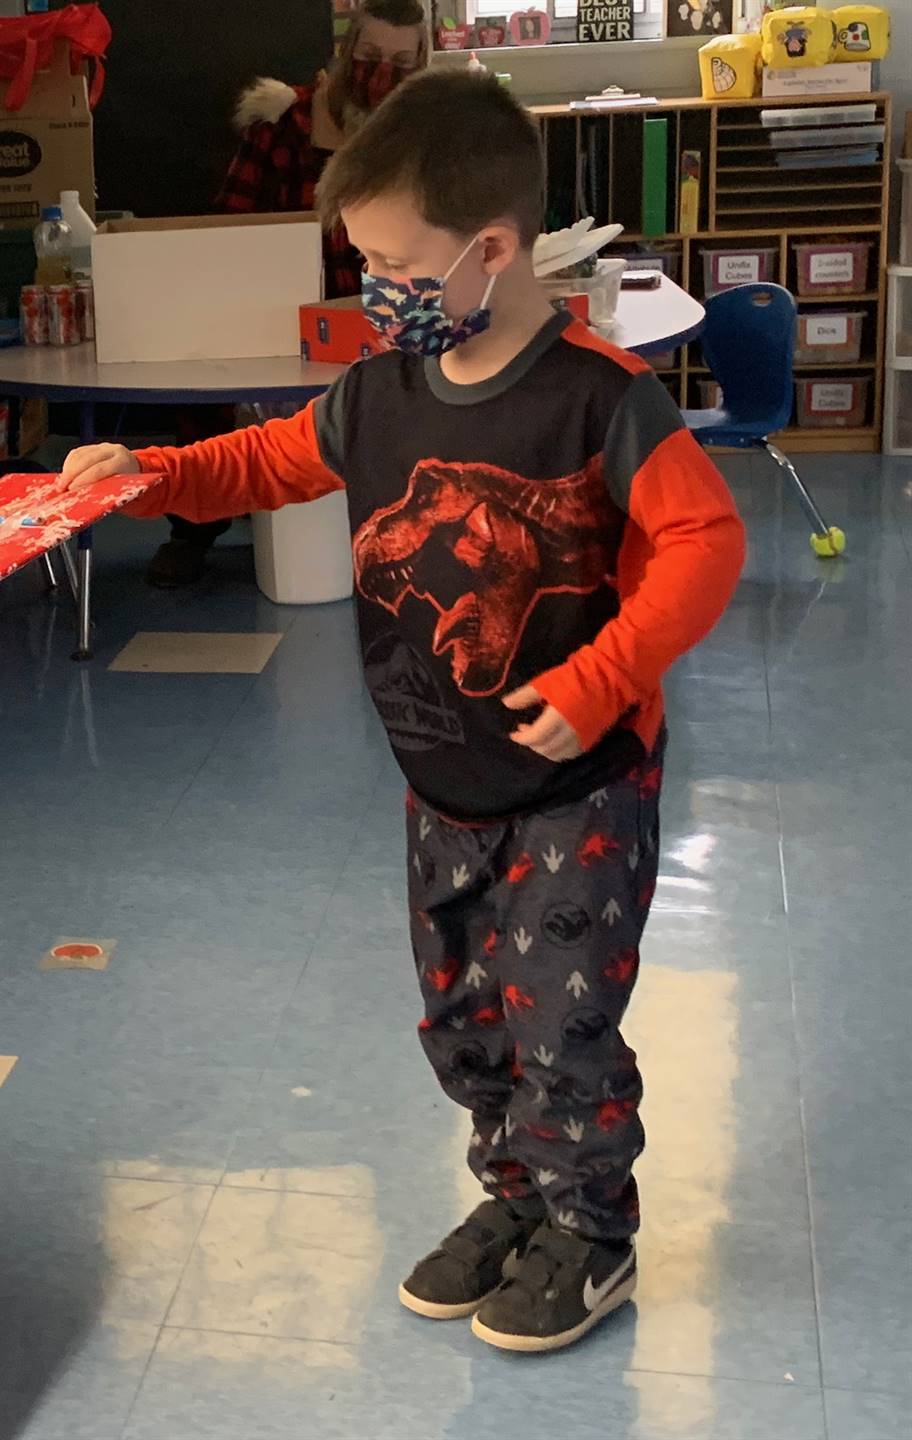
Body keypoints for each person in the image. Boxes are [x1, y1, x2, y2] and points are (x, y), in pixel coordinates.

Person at [60, 72, 745, 1353]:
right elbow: (266, 460)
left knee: (562, 1022)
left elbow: (705, 539)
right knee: (465, 1018)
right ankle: (516, 1202)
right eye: (359, 258)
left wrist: (602, 673)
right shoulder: (380, 390)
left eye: (391, 262)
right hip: (443, 787)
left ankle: (589, 1235)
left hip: (576, 792)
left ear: (491, 251)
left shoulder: (597, 399)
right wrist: (146, 475)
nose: (372, 286)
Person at [149, 0, 429, 590]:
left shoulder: (422, 135)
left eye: (402, 63)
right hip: (277, 311)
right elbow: (230, 224)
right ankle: (195, 525)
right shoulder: (285, 123)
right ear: (346, 51)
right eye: (371, 57)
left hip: (380, 313)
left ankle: (399, 530)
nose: (382, 76)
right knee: (211, 390)